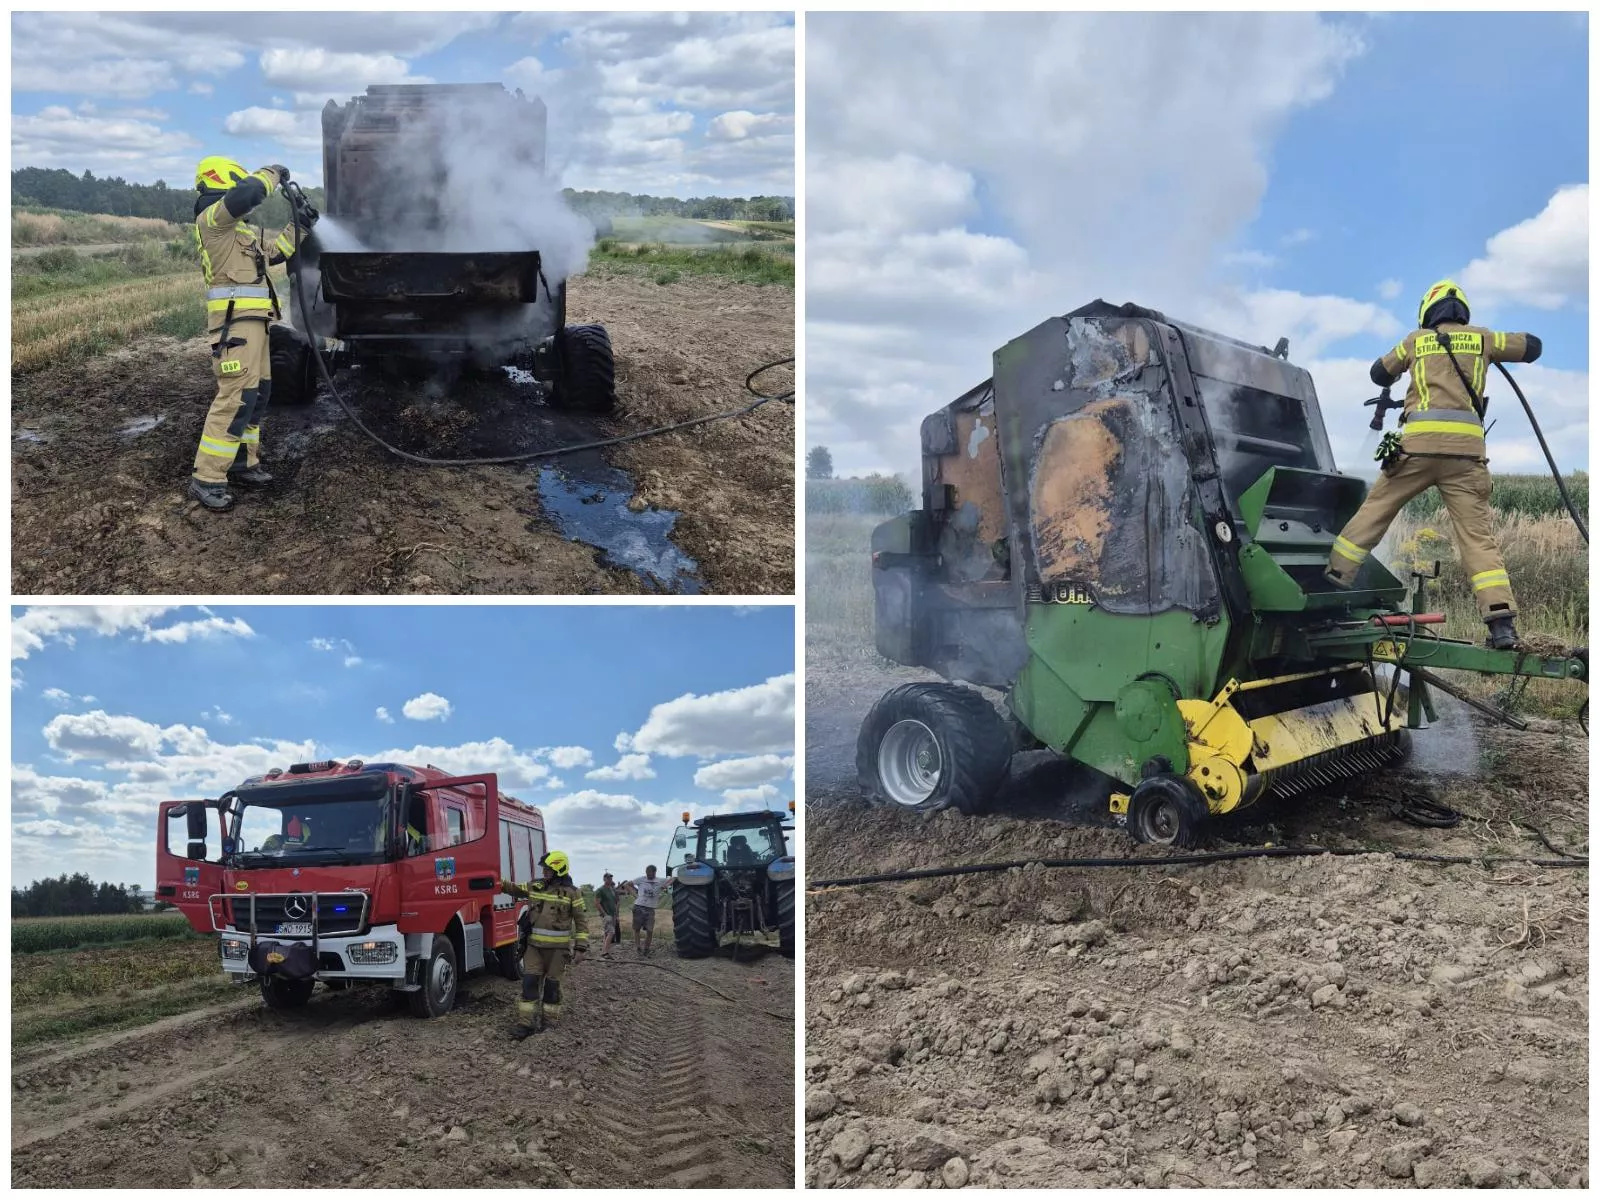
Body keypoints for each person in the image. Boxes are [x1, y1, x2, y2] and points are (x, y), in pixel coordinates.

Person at [1324, 279, 1543, 650]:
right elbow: (1532, 347)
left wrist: (1402, 368)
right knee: (1477, 538)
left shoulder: (1415, 341)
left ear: (1428, 311)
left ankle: (1334, 577)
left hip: (1416, 451)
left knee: (1376, 509)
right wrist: (1492, 347)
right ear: (1463, 311)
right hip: (1465, 458)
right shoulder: (1484, 338)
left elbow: (1379, 373)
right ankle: (1501, 623)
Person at [187, 156, 311, 512]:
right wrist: (274, 172)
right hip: (235, 327)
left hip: (256, 324)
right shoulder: (212, 220)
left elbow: (275, 254)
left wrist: (301, 223)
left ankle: (243, 462)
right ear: (224, 182)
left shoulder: (239, 233)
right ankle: (207, 477)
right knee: (235, 398)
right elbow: (250, 193)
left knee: (257, 395)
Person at [500, 850, 587, 1039]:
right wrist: (497, 882)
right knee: (529, 983)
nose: (544, 871)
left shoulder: (573, 893)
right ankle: (526, 1024)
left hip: (558, 952)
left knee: (552, 988)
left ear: (559, 869)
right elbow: (513, 888)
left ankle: (549, 1025)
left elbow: (581, 922)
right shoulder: (536, 886)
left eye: (548, 869)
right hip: (534, 948)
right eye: (544, 868)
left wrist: (580, 948)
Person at [630, 864, 672, 957]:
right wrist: (635, 895)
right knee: (637, 929)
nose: (648, 874)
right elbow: (627, 884)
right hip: (639, 906)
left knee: (650, 930)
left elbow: (673, 878)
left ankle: (646, 949)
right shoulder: (641, 879)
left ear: (654, 872)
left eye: (650, 873)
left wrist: (666, 885)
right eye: (647, 873)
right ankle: (638, 948)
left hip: (650, 908)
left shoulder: (659, 880)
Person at [595, 872, 620, 959]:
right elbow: (597, 903)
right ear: (604, 879)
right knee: (611, 932)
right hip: (607, 915)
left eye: (610, 878)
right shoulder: (600, 890)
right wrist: (604, 914)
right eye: (608, 878)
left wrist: (616, 915)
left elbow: (616, 902)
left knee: (607, 933)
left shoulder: (612, 890)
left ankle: (604, 951)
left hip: (613, 915)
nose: (610, 879)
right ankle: (605, 952)